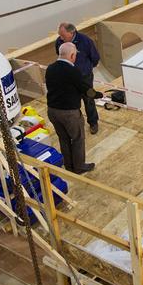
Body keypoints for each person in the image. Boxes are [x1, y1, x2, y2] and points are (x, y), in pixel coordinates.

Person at [46, 42, 103, 174]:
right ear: (71, 55)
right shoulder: (73, 71)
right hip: (69, 113)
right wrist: (98, 95)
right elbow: (85, 90)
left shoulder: (50, 68)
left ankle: (69, 165)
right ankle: (79, 167)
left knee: (64, 138)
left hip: (52, 111)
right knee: (77, 139)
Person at [55, 23, 101, 134]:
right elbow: (59, 53)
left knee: (89, 99)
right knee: (72, 102)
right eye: (60, 35)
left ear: (72, 33)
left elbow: (95, 58)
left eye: (63, 36)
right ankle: (75, 125)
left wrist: (86, 69)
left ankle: (93, 123)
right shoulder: (59, 41)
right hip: (68, 78)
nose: (61, 38)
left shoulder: (85, 41)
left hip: (84, 77)